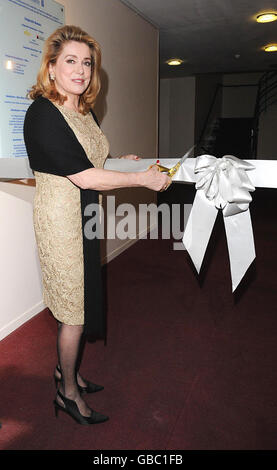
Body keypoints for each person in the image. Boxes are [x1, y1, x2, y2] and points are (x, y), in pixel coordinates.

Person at [23, 24, 171, 426]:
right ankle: (66, 392)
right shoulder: (42, 112)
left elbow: (93, 163)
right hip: (61, 221)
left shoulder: (83, 111)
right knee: (74, 312)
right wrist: (142, 179)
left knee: (82, 299)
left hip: (84, 213)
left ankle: (64, 371)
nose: (81, 70)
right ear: (51, 68)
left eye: (86, 62)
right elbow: (84, 176)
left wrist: (124, 161)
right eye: (70, 61)